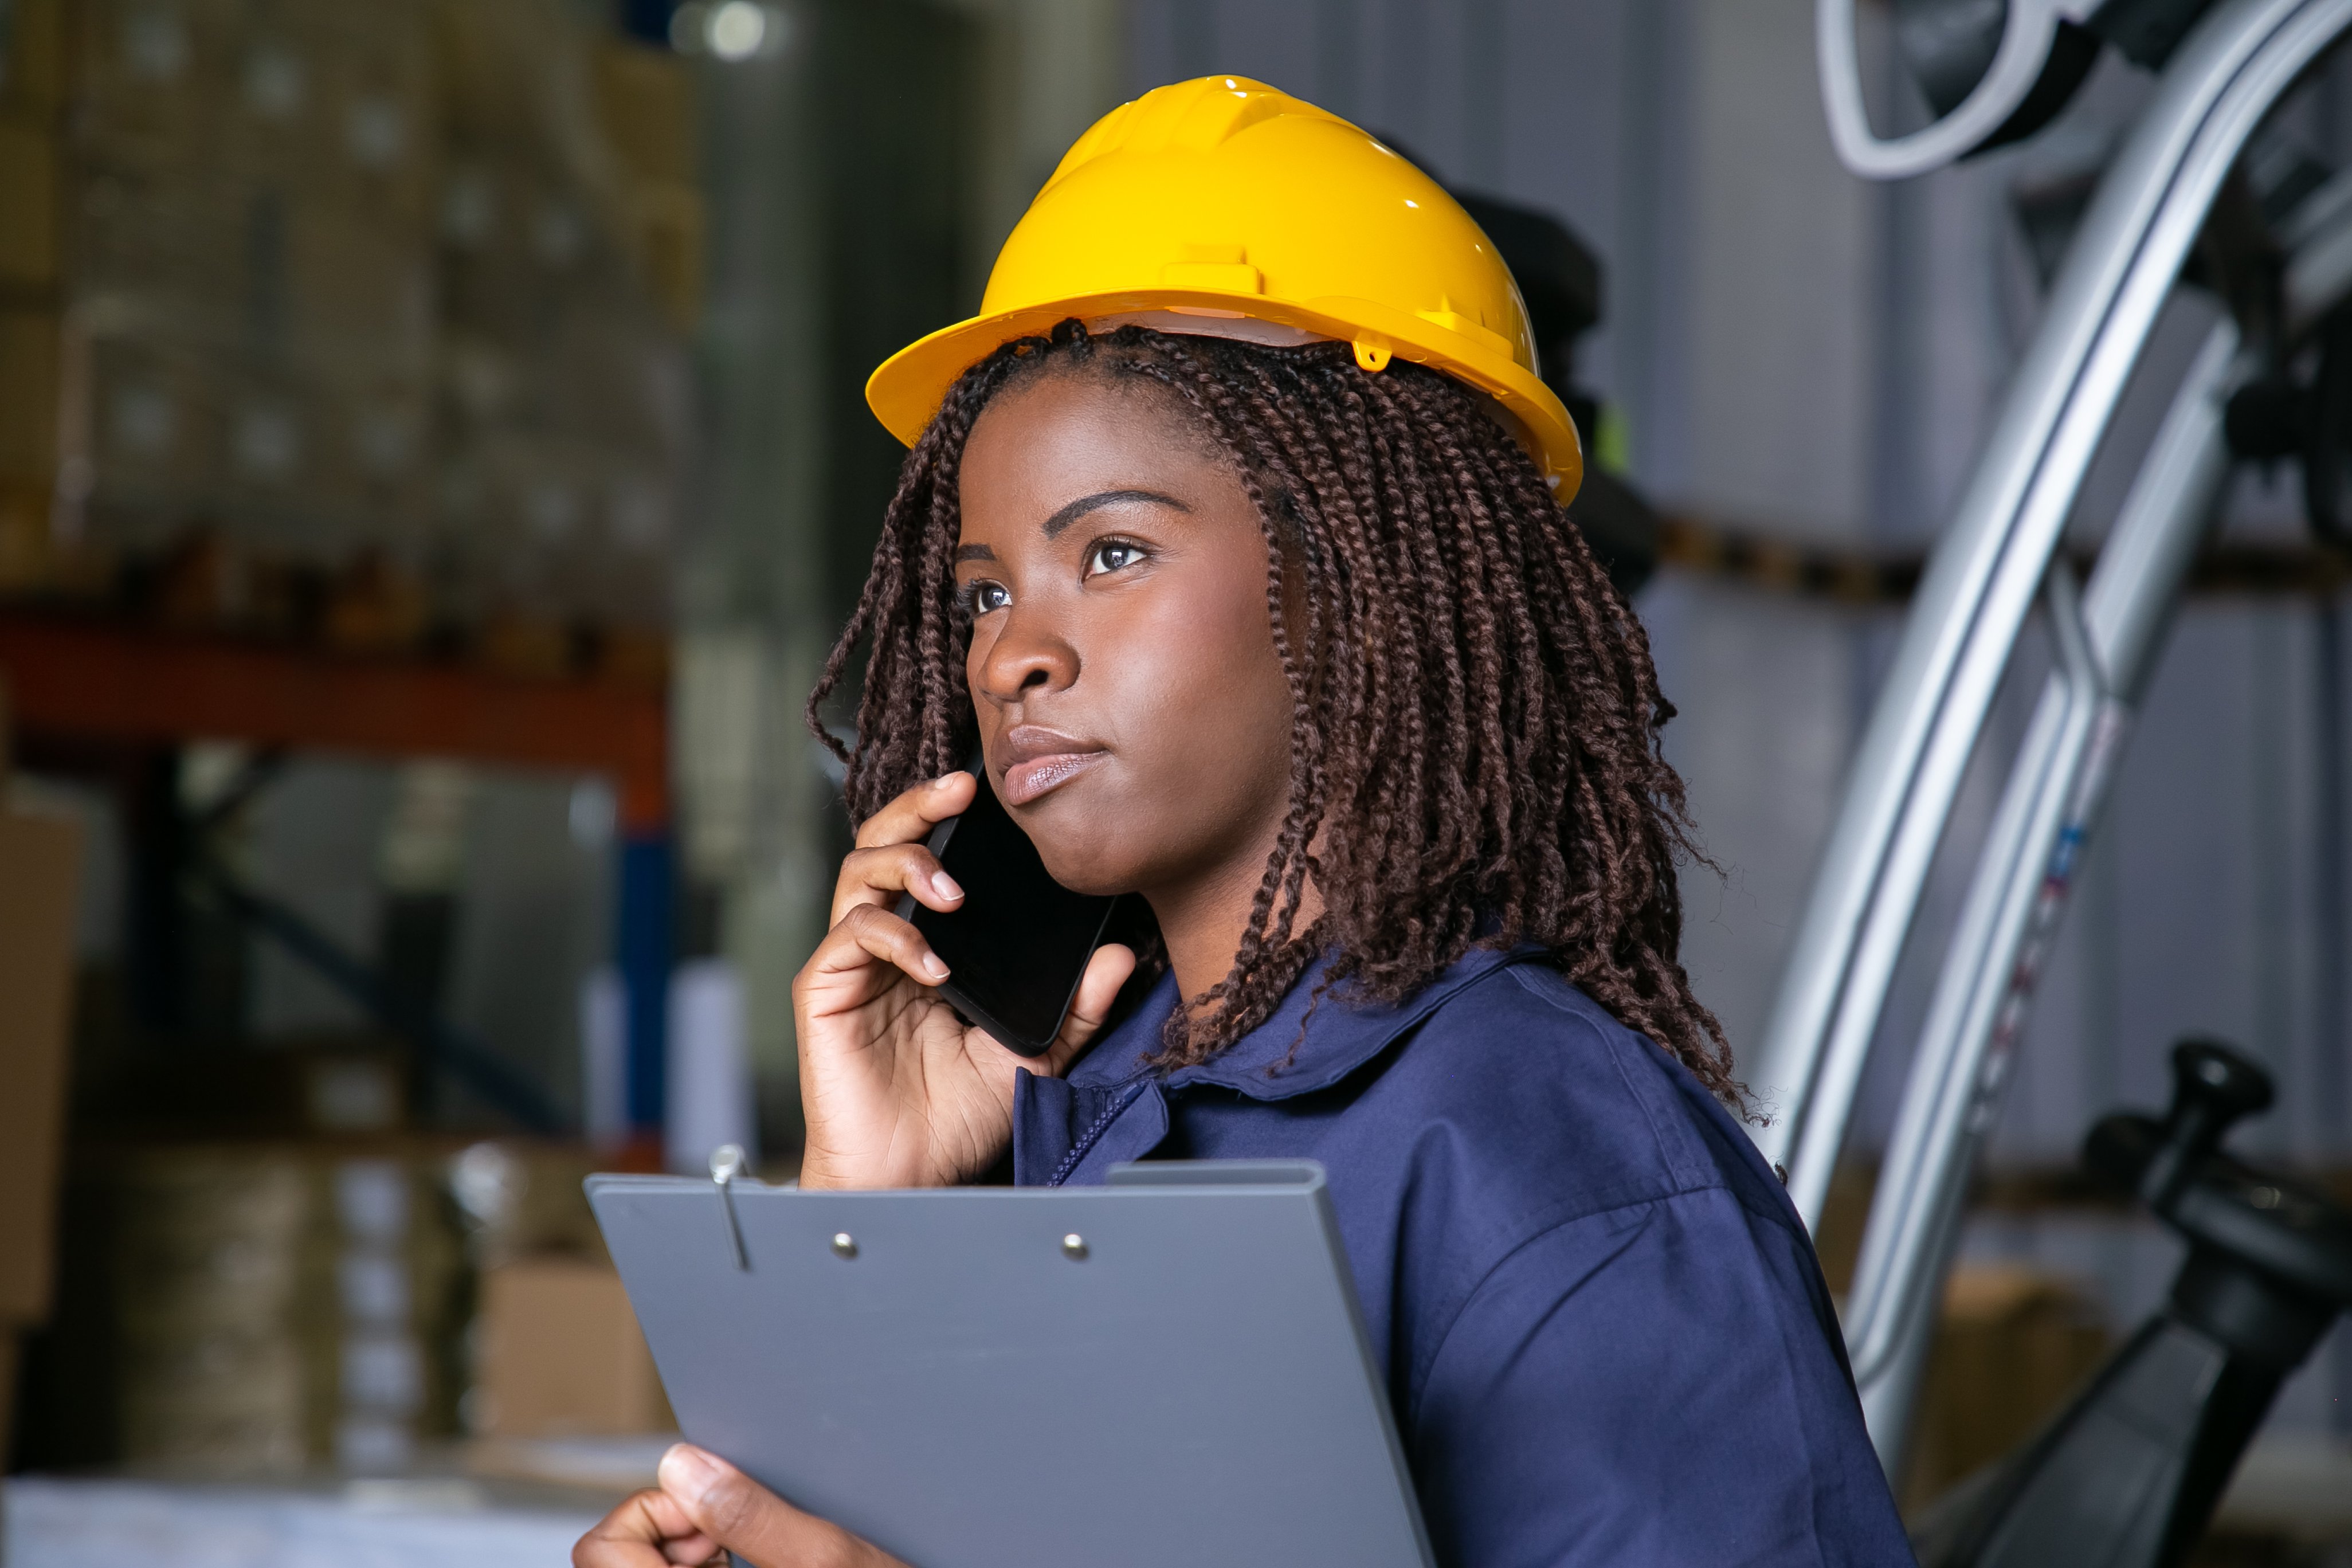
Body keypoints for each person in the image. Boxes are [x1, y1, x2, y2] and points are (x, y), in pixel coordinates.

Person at [577, 76, 1913, 1568]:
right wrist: (869, 1218)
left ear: (1366, 588)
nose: (1011, 652)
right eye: (984, 591)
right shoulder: (1093, 1101)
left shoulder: (1558, 1176)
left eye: (1117, 550)